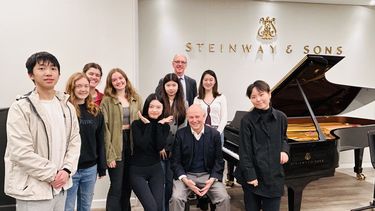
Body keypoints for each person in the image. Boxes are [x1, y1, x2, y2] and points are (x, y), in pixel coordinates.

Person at [4, 51, 81, 211]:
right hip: (33, 190)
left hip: (61, 187)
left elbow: (74, 142)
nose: (48, 73)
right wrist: (53, 175)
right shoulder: (21, 108)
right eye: (41, 68)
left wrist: (67, 170)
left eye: (53, 68)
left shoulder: (67, 106)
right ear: (30, 74)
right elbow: (20, 152)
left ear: (59, 74)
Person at [234, 80, 290, 211]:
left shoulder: (281, 117)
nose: (258, 99)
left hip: (274, 175)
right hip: (254, 176)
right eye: (253, 97)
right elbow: (244, 151)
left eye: (261, 94)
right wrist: (250, 175)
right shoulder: (246, 120)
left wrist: (284, 151)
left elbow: (284, 139)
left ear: (269, 94)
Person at [169, 104, 230, 211]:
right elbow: (176, 162)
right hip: (186, 175)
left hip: (208, 175)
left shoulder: (214, 134)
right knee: (176, 198)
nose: (194, 120)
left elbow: (219, 161)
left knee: (224, 198)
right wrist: (185, 180)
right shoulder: (180, 134)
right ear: (187, 118)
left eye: (197, 117)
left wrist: (211, 180)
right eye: (191, 117)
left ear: (204, 116)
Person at [100, 68, 142, 211]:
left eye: (120, 78)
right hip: (116, 145)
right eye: (114, 79)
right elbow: (104, 129)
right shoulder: (107, 101)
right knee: (116, 187)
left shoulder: (136, 98)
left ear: (125, 79)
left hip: (132, 145)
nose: (118, 81)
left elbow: (142, 123)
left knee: (127, 186)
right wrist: (109, 154)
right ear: (110, 83)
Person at [64, 72, 107, 211]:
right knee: (68, 207)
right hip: (70, 169)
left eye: (86, 86)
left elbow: (100, 140)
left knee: (85, 207)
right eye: (79, 86)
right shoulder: (65, 110)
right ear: (72, 87)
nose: (83, 89)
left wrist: (101, 168)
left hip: (90, 169)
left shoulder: (95, 111)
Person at [129, 93, 170, 211]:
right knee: (151, 208)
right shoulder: (137, 124)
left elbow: (159, 146)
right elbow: (142, 145)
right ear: (146, 107)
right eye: (151, 106)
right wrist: (148, 125)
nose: (154, 110)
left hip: (156, 170)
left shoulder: (164, 127)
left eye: (158, 107)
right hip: (137, 171)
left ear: (163, 109)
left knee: (158, 207)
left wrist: (158, 125)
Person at [159, 73, 187, 211]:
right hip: (160, 149)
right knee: (160, 183)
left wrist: (176, 149)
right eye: (168, 85)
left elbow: (183, 129)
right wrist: (160, 146)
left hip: (175, 150)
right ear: (163, 87)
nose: (171, 88)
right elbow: (155, 125)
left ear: (178, 86)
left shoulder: (184, 103)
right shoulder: (158, 101)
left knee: (170, 183)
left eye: (174, 85)